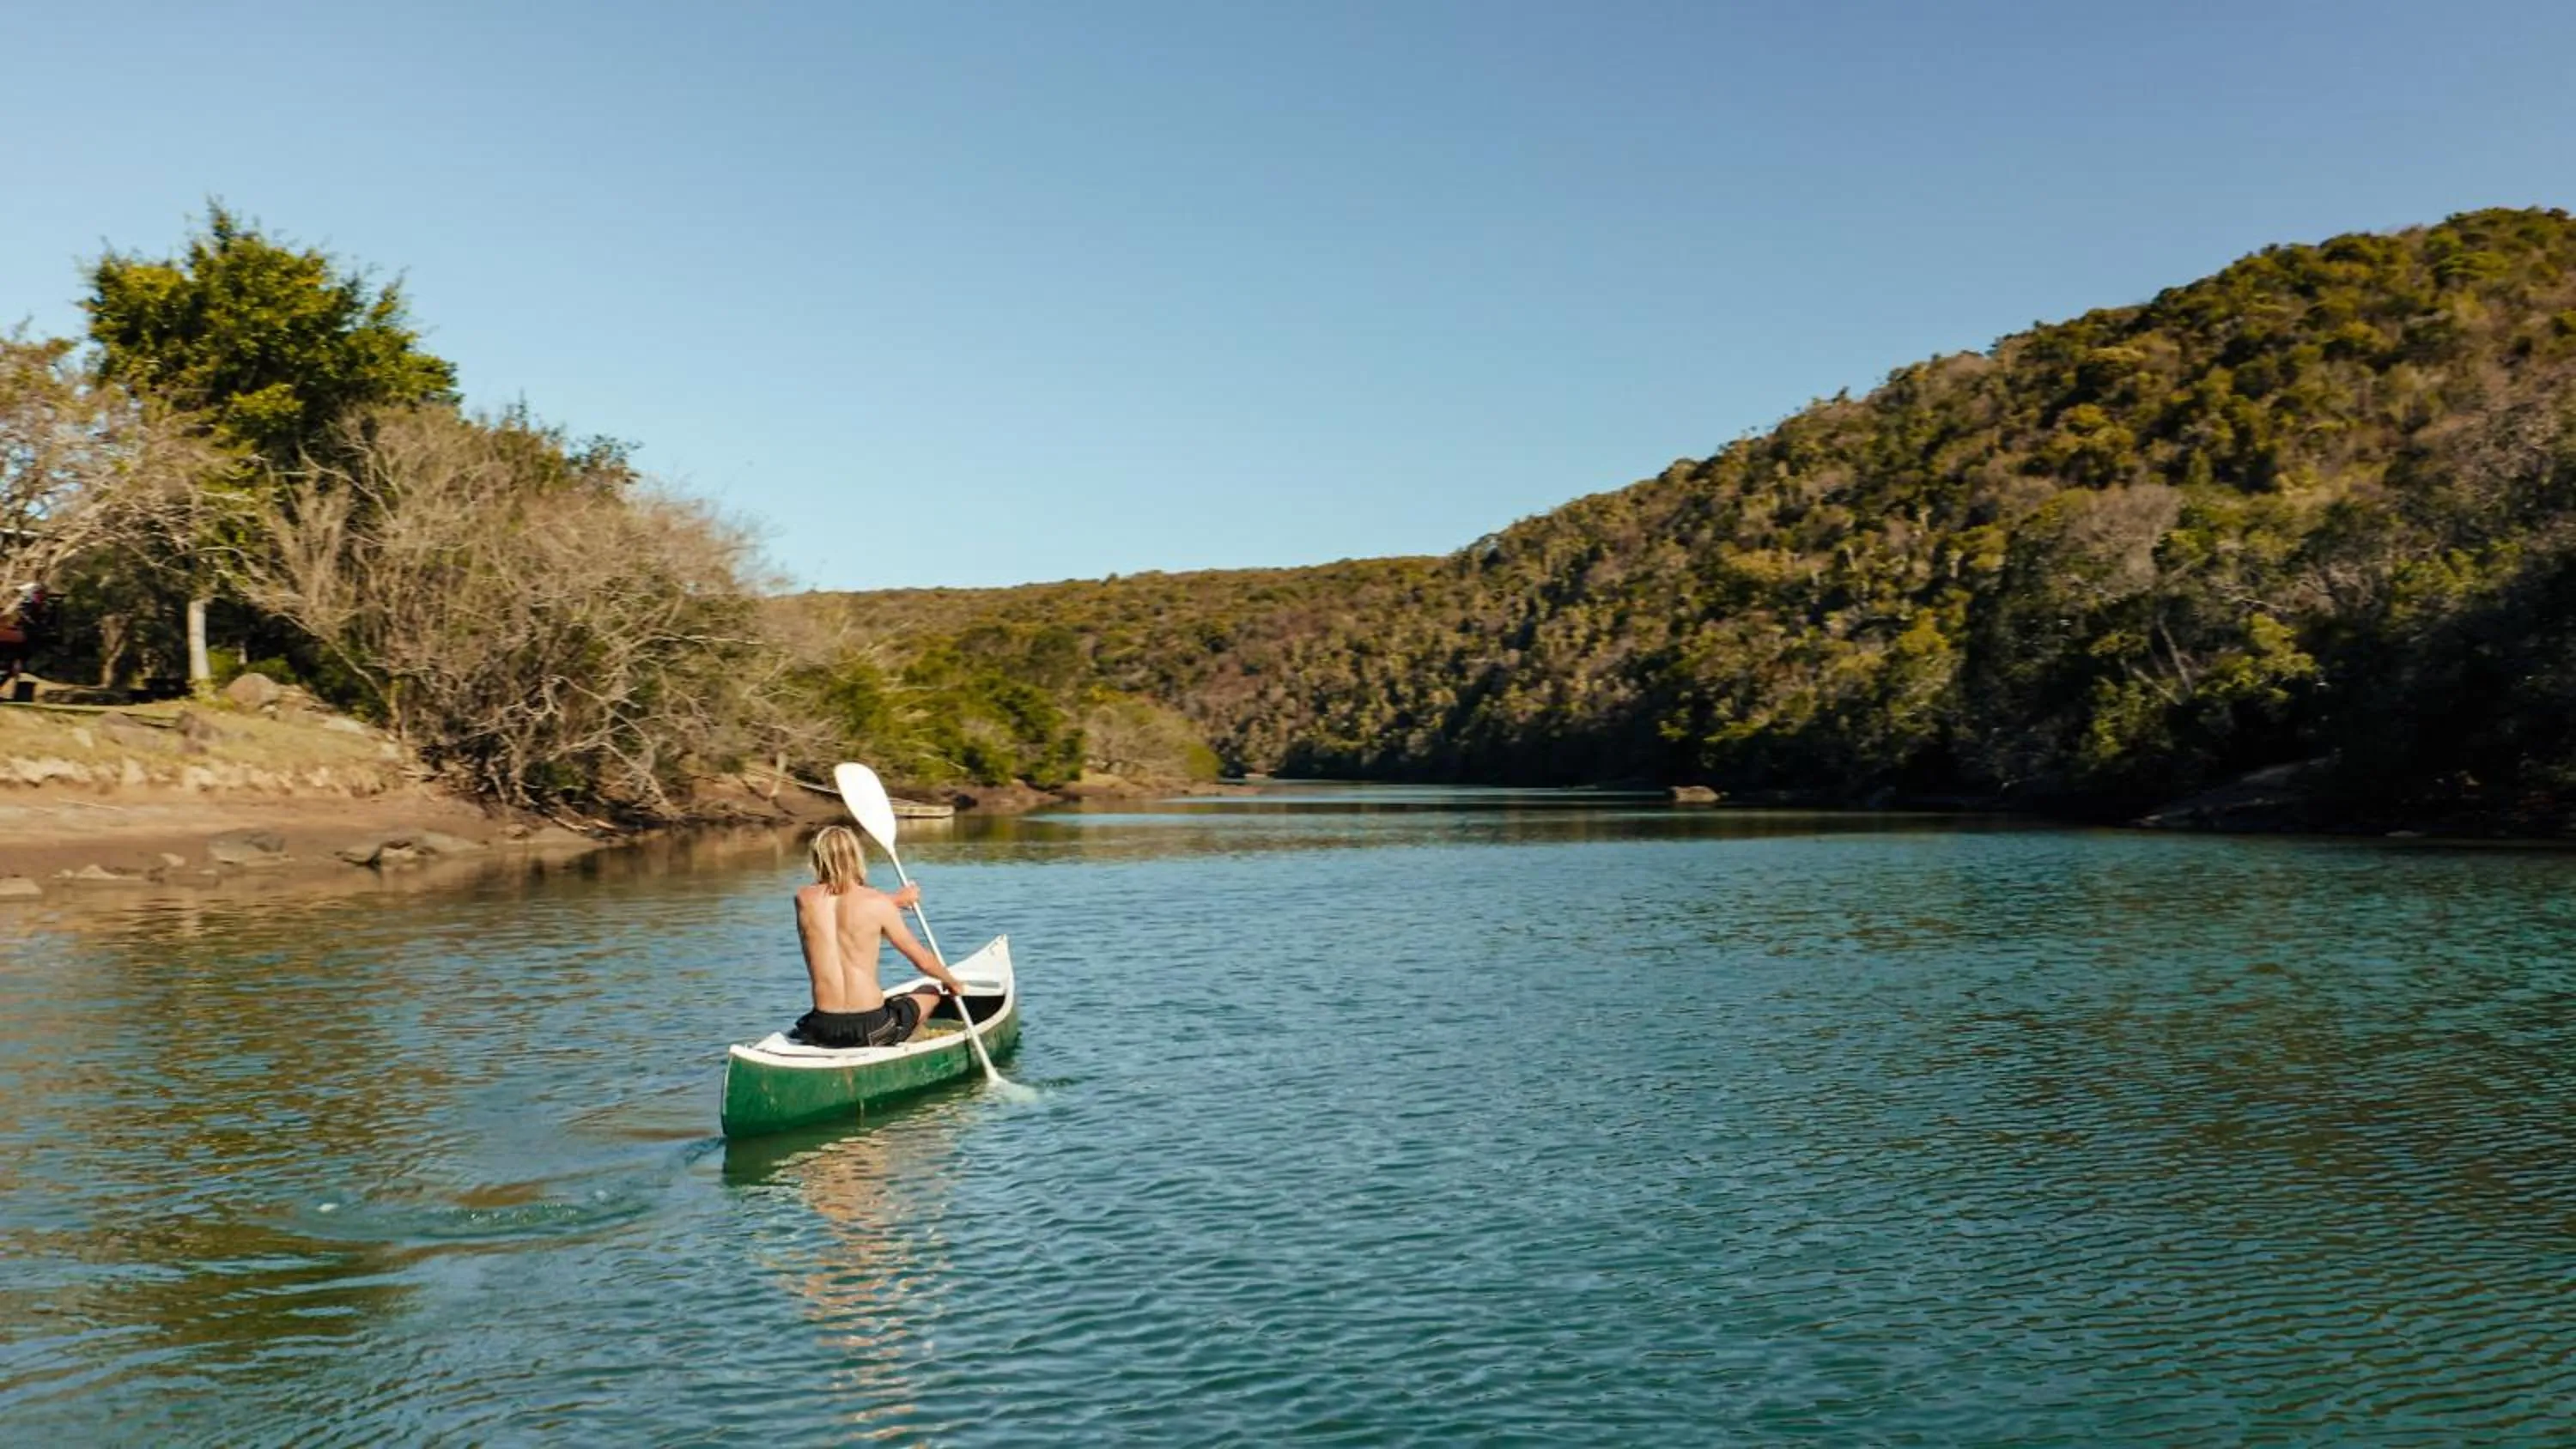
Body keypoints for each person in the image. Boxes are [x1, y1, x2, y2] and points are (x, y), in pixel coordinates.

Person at [790, 824, 969, 1048]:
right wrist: (951, 981)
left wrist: (896, 901)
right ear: (856, 857)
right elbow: (922, 961)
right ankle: (903, 1042)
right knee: (930, 992)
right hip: (872, 1028)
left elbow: (837, 904)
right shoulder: (878, 904)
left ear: (817, 859)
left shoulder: (803, 900)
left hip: (823, 1027)